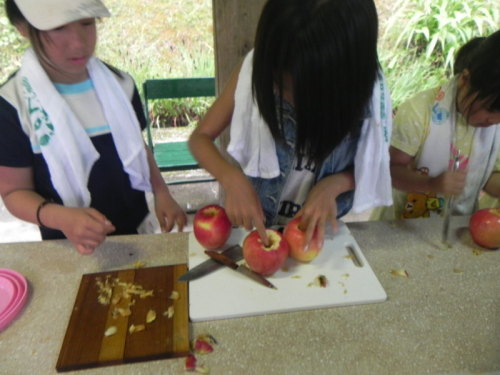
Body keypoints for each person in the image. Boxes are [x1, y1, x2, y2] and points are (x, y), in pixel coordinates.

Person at [189, 0, 393, 248]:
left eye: (301, 90)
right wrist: (231, 178)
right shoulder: (253, 72)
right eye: (278, 83)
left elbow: (375, 167)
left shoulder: (370, 99)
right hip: (257, 228)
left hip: (318, 236)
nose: (283, 95)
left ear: (343, 81)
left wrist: (335, 184)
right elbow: (200, 138)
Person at [0, 0, 187, 254]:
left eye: (87, 23)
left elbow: (136, 145)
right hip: (68, 243)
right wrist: (62, 217)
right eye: (59, 28)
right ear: (22, 27)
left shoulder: (120, 85)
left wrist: (161, 191)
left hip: (136, 231)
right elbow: (14, 192)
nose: (78, 42)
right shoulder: (13, 105)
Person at [371, 31, 500, 221]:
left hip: (458, 227)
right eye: (489, 109)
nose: (494, 121)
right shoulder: (418, 112)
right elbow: (389, 170)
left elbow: (486, 176)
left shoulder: (494, 124)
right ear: (465, 80)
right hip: (401, 225)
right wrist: (432, 184)